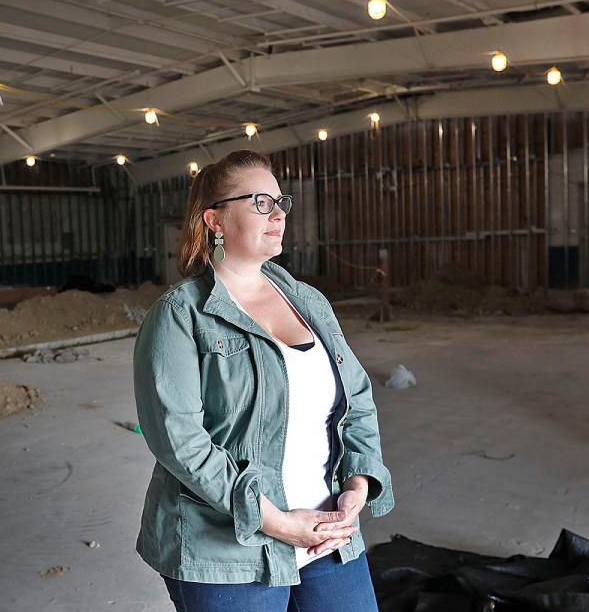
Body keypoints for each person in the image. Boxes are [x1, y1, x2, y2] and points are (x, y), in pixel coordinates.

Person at [132, 150, 394, 611]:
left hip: (326, 530)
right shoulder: (180, 314)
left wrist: (357, 484)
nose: (278, 215)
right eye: (259, 202)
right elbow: (181, 442)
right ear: (215, 220)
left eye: (280, 202)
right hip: (227, 549)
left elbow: (356, 398)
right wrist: (272, 520)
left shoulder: (307, 301)